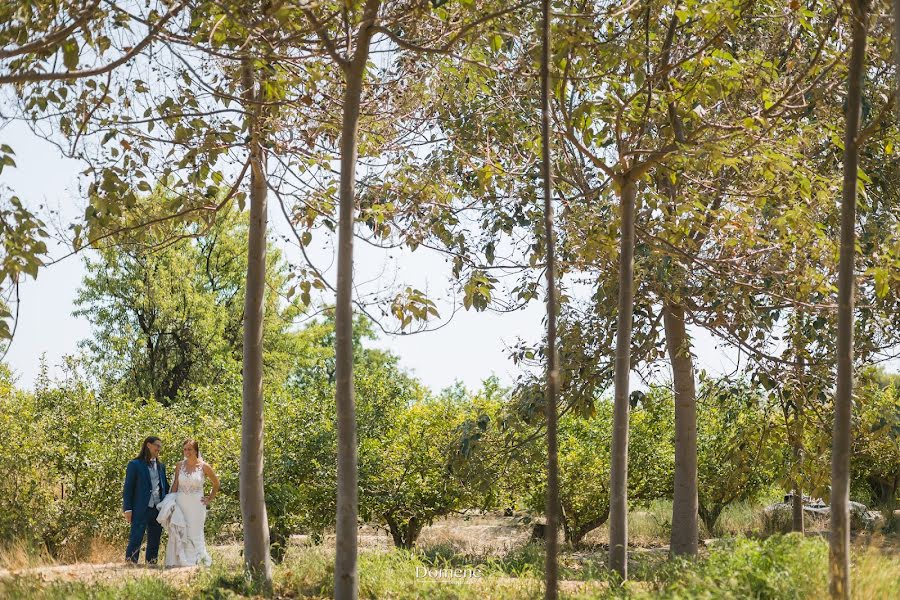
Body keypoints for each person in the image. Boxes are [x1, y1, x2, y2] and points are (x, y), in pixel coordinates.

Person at [160, 438, 220, 567]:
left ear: (196, 450)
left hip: (197, 506)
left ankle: (198, 561)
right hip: (181, 503)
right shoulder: (179, 465)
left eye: (190, 449)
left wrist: (210, 497)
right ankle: (180, 561)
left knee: (195, 532)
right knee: (181, 531)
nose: (187, 452)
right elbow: (176, 483)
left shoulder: (204, 466)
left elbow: (216, 483)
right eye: (185, 449)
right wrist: (170, 501)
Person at [123, 436, 169, 564]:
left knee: (155, 539)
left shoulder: (161, 466)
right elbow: (128, 488)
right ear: (148, 445)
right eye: (157, 446)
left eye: (160, 446)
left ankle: (151, 565)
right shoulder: (134, 465)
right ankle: (130, 564)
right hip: (140, 508)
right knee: (136, 538)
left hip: (157, 508)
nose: (159, 449)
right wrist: (127, 509)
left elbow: (165, 486)